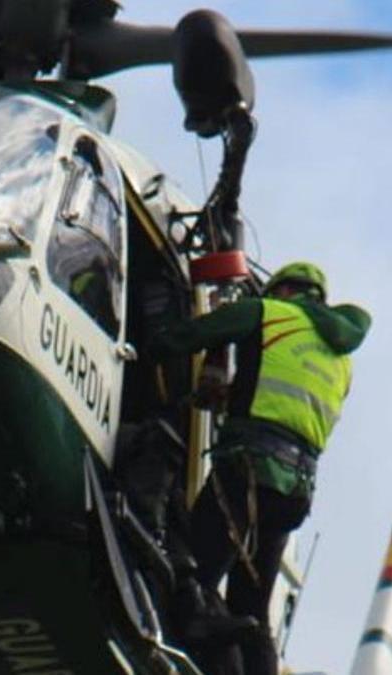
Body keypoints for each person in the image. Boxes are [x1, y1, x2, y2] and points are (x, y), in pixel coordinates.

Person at [152, 261, 370, 675]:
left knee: (195, 569)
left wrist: (153, 346)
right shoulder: (341, 358)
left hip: (247, 470)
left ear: (284, 290)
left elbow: (193, 335)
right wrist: (233, 395)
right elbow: (285, 403)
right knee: (251, 608)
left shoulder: (266, 311)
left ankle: (189, 639)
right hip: (294, 492)